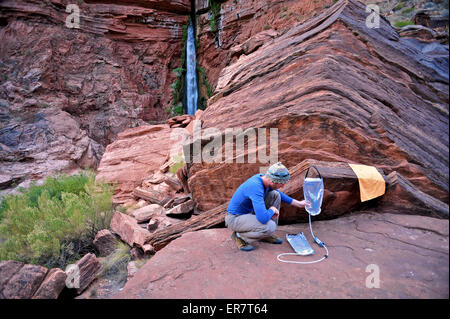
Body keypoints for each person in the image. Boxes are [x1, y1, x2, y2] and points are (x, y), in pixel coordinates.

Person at [225, 162, 311, 251]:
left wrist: (298, 203)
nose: (283, 186)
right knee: (270, 226)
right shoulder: (255, 187)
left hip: (248, 214)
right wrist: (272, 210)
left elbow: (279, 194)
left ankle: (266, 233)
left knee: (275, 195)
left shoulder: (263, 179)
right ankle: (239, 236)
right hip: (234, 219)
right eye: (281, 183)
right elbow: (262, 218)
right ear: (273, 181)